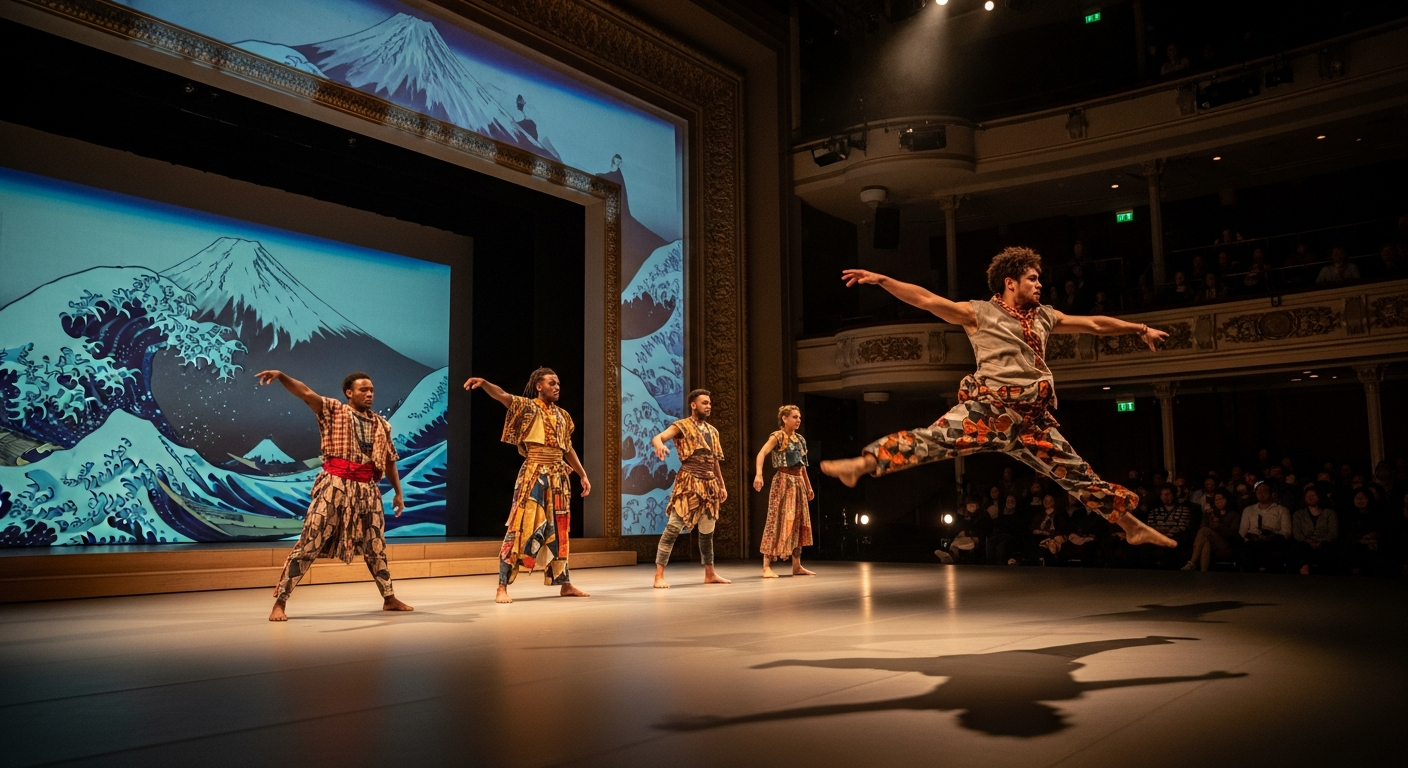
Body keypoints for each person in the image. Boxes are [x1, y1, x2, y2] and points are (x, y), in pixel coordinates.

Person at [819, 248, 1176, 553]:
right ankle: (862, 464)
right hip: (991, 412)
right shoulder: (980, 313)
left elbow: (1094, 325)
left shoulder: (1045, 316)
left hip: (1032, 422)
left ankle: (1131, 527)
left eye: (1039, 279)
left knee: (1078, 474)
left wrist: (1140, 329)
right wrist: (882, 280)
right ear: (1011, 282)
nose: (1039, 284)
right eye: (1032, 278)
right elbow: (926, 300)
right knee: (932, 440)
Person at [261, 370, 412, 622]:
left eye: (371, 390)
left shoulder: (381, 425)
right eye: (363, 390)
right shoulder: (334, 410)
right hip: (334, 486)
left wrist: (398, 493)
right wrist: (282, 376)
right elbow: (305, 392)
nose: (369, 394)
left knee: (375, 544)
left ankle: (389, 598)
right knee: (310, 542)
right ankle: (280, 602)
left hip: (366, 490)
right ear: (349, 393)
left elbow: (389, 460)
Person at [464, 369, 591, 603]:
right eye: (551, 383)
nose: (557, 387)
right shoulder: (528, 407)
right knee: (521, 526)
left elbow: (567, 447)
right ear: (539, 386)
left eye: (558, 383)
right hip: (535, 474)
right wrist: (484, 383)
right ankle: (502, 586)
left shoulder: (563, 415)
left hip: (558, 478)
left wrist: (583, 474)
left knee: (560, 528)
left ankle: (564, 583)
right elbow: (503, 395)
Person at [652, 389, 731, 588]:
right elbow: (659, 437)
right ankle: (659, 575)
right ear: (693, 405)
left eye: (709, 403)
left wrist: (721, 485)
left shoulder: (712, 431)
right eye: (704, 403)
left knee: (707, 532)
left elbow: (714, 460)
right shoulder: (682, 425)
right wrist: (659, 445)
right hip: (689, 482)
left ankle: (710, 573)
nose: (708, 406)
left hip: (709, 484)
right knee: (673, 528)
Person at [753, 405, 816, 578]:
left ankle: (797, 565)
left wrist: (808, 486)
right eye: (794, 417)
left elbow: (802, 466)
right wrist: (759, 474)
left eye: (799, 417)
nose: (798, 420)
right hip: (783, 481)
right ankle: (766, 565)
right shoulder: (778, 436)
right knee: (776, 520)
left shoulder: (800, 439)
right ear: (784, 418)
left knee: (798, 521)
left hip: (798, 483)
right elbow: (761, 453)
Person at [1239, 481, 1292, 572]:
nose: (1261, 494)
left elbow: (1286, 532)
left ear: (1271, 493)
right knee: (1247, 549)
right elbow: (1242, 531)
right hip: (1253, 541)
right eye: (1258, 492)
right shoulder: (1248, 510)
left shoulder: (1282, 510)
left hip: (1273, 541)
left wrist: (1271, 536)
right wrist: (1251, 536)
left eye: (1264, 491)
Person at [1183, 491, 1241, 571]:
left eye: (1221, 499)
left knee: (1205, 531)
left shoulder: (1234, 515)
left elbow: (1232, 533)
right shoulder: (1210, 513)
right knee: (1206, 542)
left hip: (1226, 542)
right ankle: (1203, 572)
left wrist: (1218, 525)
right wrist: (1208, 517)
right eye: (1216, 500)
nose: (1218, 501)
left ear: (1227, 499)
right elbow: (1202, 528)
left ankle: (1192, 562)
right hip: (1210, 539)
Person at [1142, 485, 1195, 567]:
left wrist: (1167, 536)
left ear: (1173, 495)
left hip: (1174, 538)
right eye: (1162, 495)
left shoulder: (1183, 510)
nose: (1165, 497)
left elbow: (1181, 527)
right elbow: (1151, 526)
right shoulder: (1155, 511)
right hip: (1157, 538)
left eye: (1167, 494)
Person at [1290, 487, 1338, 575]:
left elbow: (1333, 532)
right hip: (1305, 542)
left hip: (1324, 542)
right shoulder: (1298, 514)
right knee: (1300, 547)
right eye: (1307, 496)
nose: (1310, 498)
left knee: (1328, 548)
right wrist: (1308, 541)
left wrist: (1321, 542)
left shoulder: (1329, 513)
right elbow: (1297, 533)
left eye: (1313, 495)